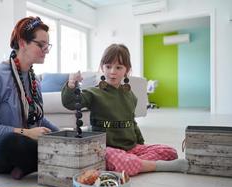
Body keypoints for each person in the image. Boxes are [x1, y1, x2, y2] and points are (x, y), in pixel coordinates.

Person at [61, 44, 188, 176]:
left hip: (131, 149)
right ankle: (153, 166)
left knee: (169, 151)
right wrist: (71, 85)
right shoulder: (94, 92)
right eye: (108, 66)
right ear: (102, 67)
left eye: (118, 67)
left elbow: (132, 123)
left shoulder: (130, 95)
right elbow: (70, 102)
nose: (112, 71)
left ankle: (135, 164)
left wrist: (141, 145)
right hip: (107, 149)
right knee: (114, 157)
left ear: (127, 70)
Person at [0, 16, 59, 180]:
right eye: (41, 44)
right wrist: (26, 132)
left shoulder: (34, 79)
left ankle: (26, 165)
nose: (46, 50)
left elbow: (38, 119)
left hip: (24, 143)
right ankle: (38, 162)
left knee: (56, 142)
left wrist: (61, 134)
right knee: (13, 142)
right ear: (22, 43)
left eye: (48, 45)